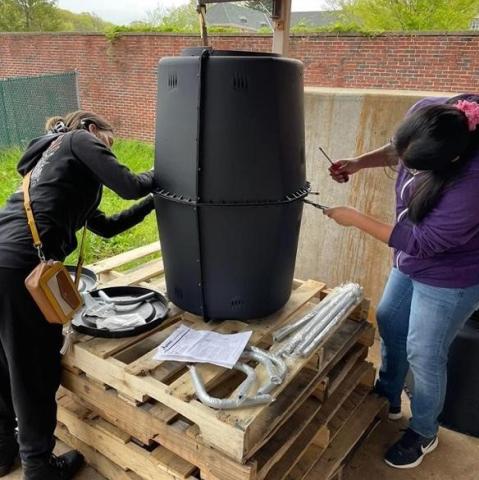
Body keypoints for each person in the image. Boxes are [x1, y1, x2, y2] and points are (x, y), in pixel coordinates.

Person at [324, 94, 479, 469]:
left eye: (416, 169)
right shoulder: (432, 115)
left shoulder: (472, 182)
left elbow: (423, 242)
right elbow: (398, 149)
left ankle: (424, 431)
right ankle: (388, 394)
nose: (405, 171)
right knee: (390, 319)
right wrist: (360, 163)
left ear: (451, 162)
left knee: (425, 352)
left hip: (451, 273)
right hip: (410, 258)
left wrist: (356, 218)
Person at [0, 111, 157, 479]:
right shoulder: (77, 140)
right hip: (20, 272)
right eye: (110, 144)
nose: (109, 153)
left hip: (4, 262)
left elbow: (104, 227)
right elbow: (131, 185)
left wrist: (154, 204)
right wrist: (165, 173)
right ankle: (39, 468)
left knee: (4, 366)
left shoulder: (53, 168)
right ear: (91, 130)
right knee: (33, 372)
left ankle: (3, 452)